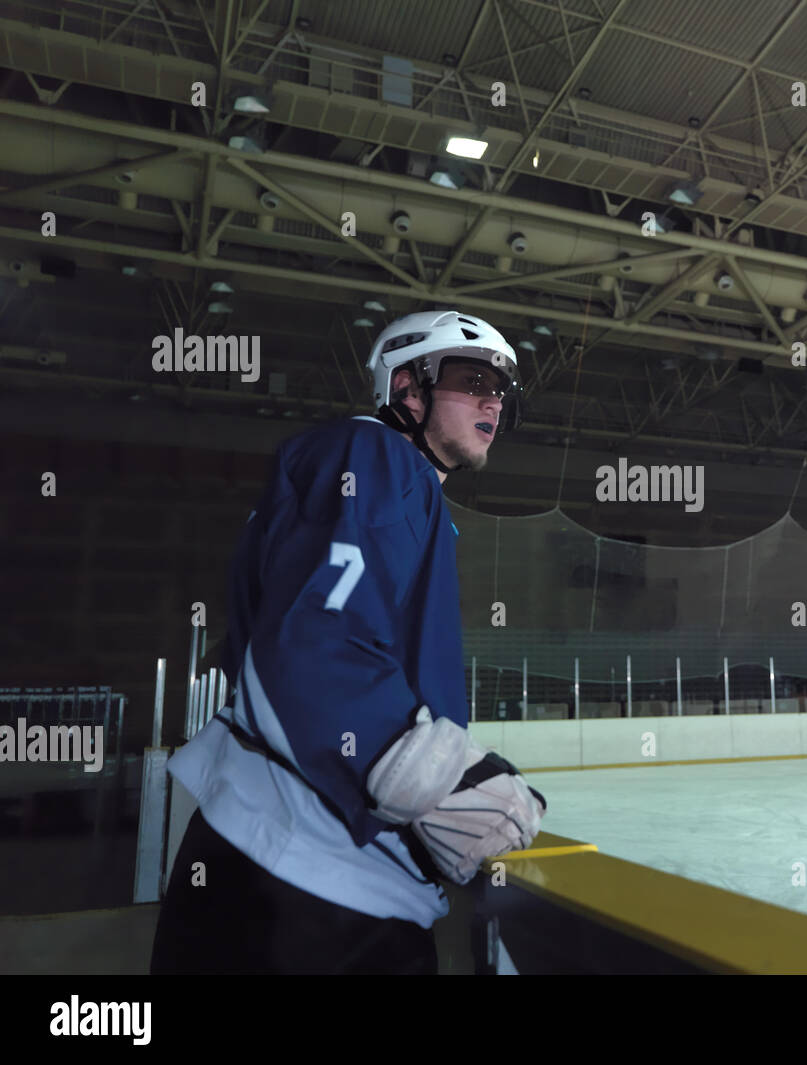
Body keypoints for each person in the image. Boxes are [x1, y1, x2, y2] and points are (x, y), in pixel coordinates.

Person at [150, 310, 547, 974]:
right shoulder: (375, 455)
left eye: (501, 388)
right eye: (472, 377)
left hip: (285, 874)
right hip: (310, 894)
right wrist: (431, 776)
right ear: (407, 388)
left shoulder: (397, 490)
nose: (492, 399)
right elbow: (313, 641)